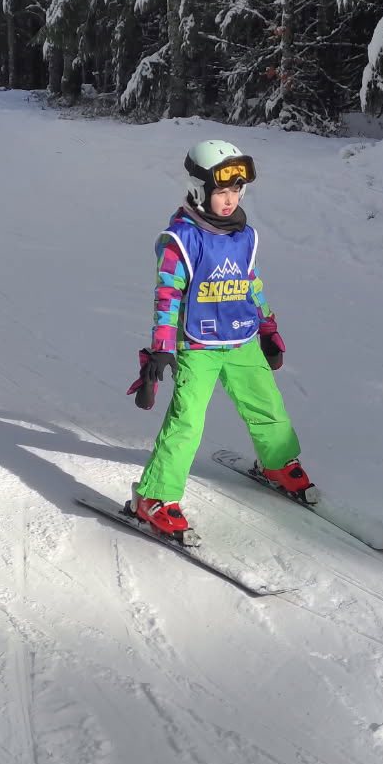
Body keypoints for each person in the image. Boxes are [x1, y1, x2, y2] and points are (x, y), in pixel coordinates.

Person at [127, 138, 317, 545]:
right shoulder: (181, 240)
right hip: (197, 347)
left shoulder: (244, 235)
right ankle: (154, 496)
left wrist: (267, 326)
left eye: (236, 190)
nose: (230, 200)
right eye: (221, 192)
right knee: (186, 422)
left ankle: (278, 463)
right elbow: (167, 296)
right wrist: (161, 348)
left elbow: (251, 283)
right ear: (198, 190)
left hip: (242, 338)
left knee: (267, 405)